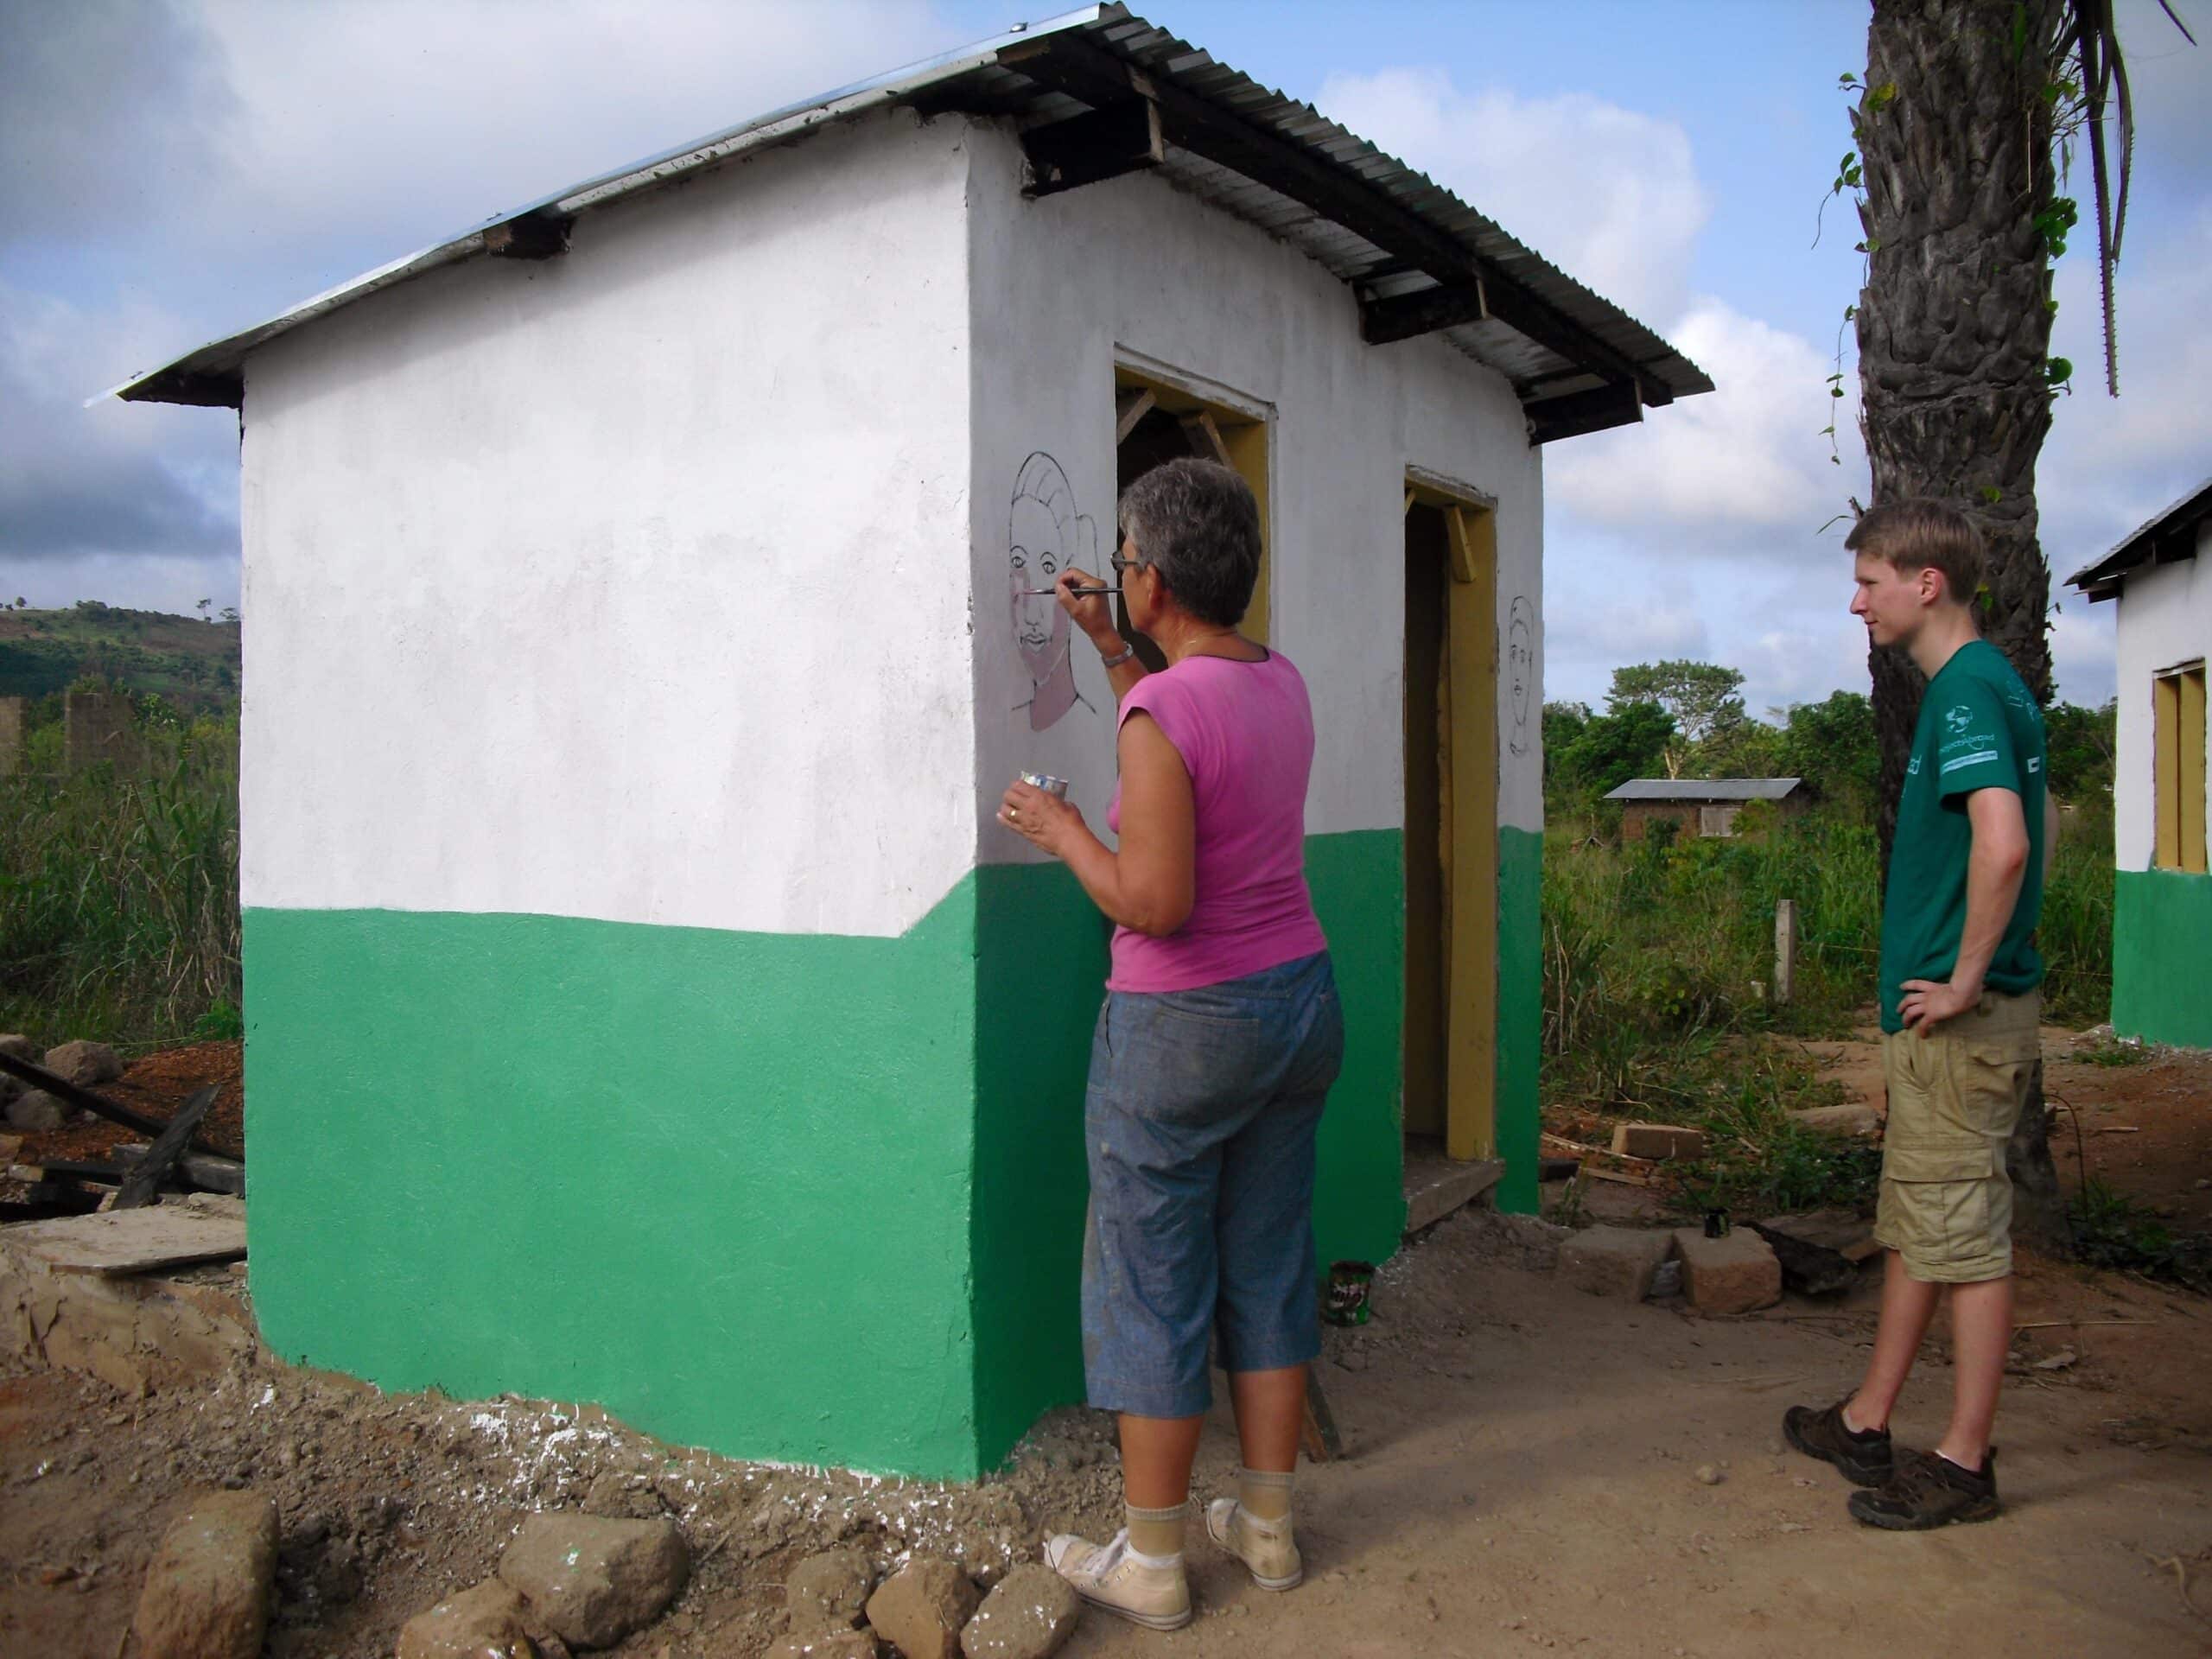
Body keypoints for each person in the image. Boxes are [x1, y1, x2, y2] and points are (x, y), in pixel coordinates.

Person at [997, 457, 1342, 1628]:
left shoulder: (1160, 713)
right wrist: (1109, 647)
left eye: (1126, 567)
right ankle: (1269, 1527)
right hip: (1298, 1006)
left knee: (1152, 1283)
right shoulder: (1276, 681)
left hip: (1185, 1028)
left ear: (1150, 579)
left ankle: (1151, 1563)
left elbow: (1152, 902)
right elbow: (1205, 722)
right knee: (1266, 1262)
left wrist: (1061, 829)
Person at [1784, 498, 2047, 1530]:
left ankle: (1964, 1460)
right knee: (1920, 1223)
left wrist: (1968, 977)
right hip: (1947, 1025)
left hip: (1958, 1024)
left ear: (1924, 583)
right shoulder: (1987, 688)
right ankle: (1866, 1418)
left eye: (1868, 581)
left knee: (1965, 1240)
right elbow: (2042, 817)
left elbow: (2008, 840)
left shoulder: (1969, 693)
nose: (1858, 602)